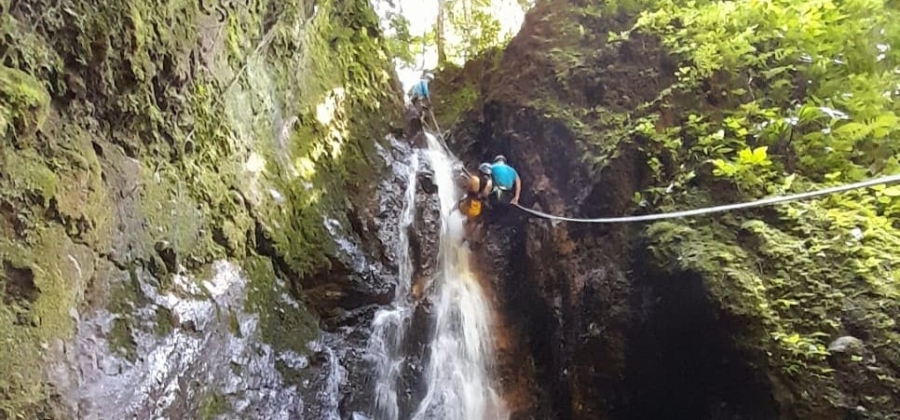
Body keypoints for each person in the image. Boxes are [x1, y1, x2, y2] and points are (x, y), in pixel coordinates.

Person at [455, 163, 493, 246]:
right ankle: (465, 237)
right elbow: (485, 194)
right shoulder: (488, 183)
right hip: (476, 206)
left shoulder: (475, 180)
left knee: (471, 219)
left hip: (468, 204)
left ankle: (464, 236)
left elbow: (468, 190)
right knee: (475, 221)